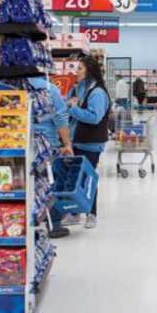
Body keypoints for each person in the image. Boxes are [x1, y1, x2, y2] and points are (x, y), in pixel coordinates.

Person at [22, 74, 75, 239]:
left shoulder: (13, 87)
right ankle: (54, 225)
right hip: (46, 146)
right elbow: (61, 119)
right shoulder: (50, 89)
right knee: (50, 184)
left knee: (24, 185)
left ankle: (22, 224)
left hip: (19, 144)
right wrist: (67, 144)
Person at [67, 56, 111, 229]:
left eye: (80, 68)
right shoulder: (79, 88)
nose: (76, 71)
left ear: (89, 71)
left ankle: (91, 214)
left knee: (87, 178)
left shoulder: (98, 93)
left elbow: (94, 117)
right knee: (75, 178)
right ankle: (75, 213)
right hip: (76, 141)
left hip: (91, 143)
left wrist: (73, 109)